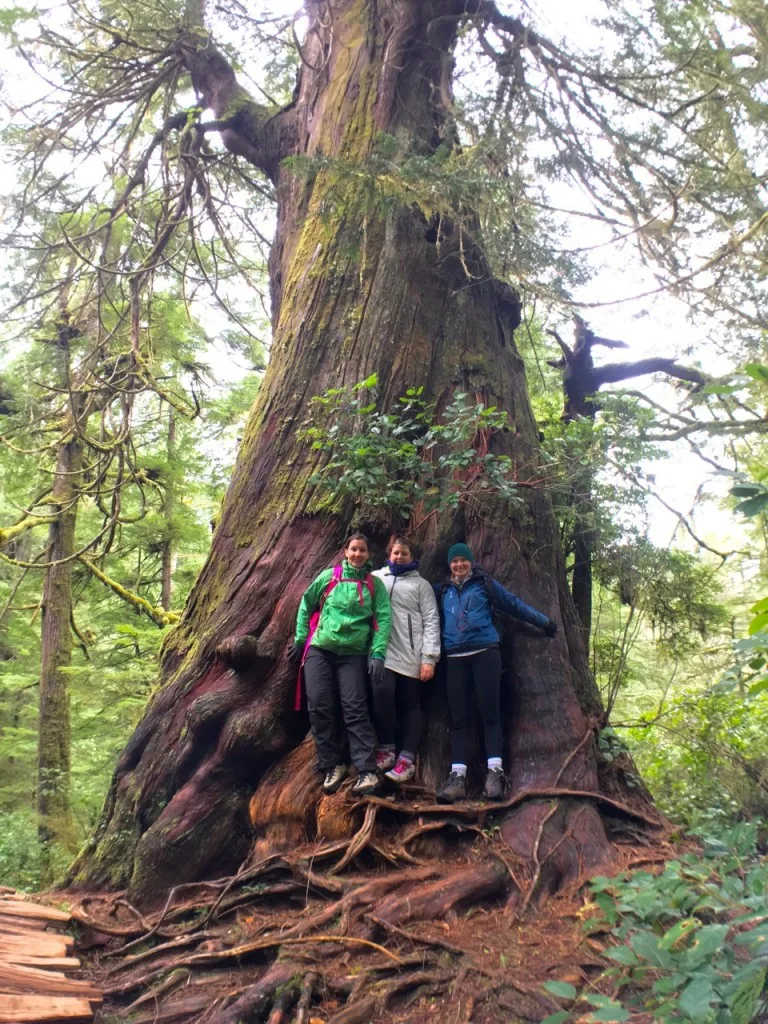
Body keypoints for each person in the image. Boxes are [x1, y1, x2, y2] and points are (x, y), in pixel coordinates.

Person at [434, 542, 558, 804]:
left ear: (471, 561)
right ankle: (457, 778)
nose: (459, 565)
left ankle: (495, 775)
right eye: (454, 561)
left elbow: (512, 604)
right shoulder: (442, 590)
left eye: (463, 560)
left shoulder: (484, 584)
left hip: (485, 653)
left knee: (491, 715)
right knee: (460, 719)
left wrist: (544, 622)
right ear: (449, 565)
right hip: (454, 657)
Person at [288, 533, 392, 796]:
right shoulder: (329, 577)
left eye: (363, 550)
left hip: (353, 653)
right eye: (353, 549)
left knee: (355, 708)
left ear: (369, 555)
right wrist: (301, 638)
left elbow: (383, 619)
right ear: (345, 551)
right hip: (320, 649)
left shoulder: (373, 585)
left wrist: (378, 653)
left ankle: (366, 770)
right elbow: (306, 603)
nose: (358, 554)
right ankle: (332, 764)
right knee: (319, 705)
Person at [371, 536, 441, 783]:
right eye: (396, 553)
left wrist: (429, 658)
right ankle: (387, 749)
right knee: (381, 695)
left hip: (411, 653)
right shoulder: (377, 578)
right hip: (382, 652)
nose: (399, 557)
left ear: (412, 557)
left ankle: (406, 760)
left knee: (411, 704)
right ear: (389, 555)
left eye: (404, 553)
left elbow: (432, 620)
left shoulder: (421, 585)